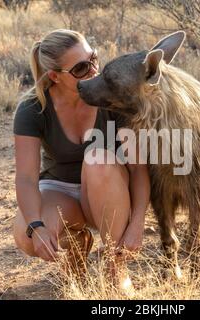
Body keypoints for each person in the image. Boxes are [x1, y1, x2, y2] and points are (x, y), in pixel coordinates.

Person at [12, 29, 150, 291]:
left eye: (94, 59)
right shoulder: (33, 108)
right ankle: (77, 247)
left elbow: (138, 167)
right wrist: (37, 226)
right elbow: (26, 178)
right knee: (25, 234)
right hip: (61, 191)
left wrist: (138, 222)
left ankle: (114, 267)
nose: (94, 71)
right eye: (81, 68)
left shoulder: (115, 97)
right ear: (54, 76)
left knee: (97, 158)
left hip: (110, 188)